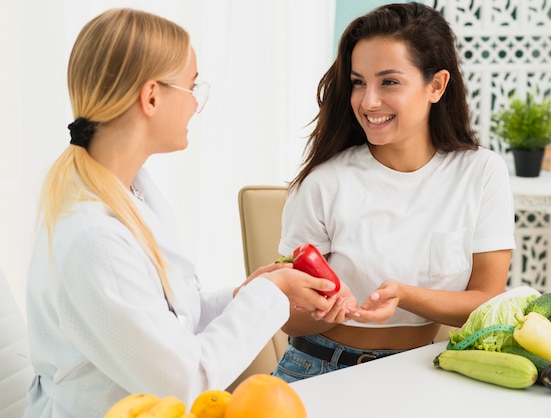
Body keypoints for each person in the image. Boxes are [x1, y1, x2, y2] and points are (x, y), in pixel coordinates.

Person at [23, 8, 338, 417]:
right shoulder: (93, 238)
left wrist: (244, 294)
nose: (196, 104)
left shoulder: (131, 192)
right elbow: (184, 380)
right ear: (152, 96)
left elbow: (172, 319)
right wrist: (270, 295)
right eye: (193, 87)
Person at [272, 2, 516, 383]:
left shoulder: (481, 172)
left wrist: (406, 295)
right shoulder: (324, 182)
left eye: (389, 81)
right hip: (318, 369)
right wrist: (320, 308)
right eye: (358, 82)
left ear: (436, 85)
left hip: (425, 372)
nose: (368, 102)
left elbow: (487, 302)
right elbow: (289, 318)